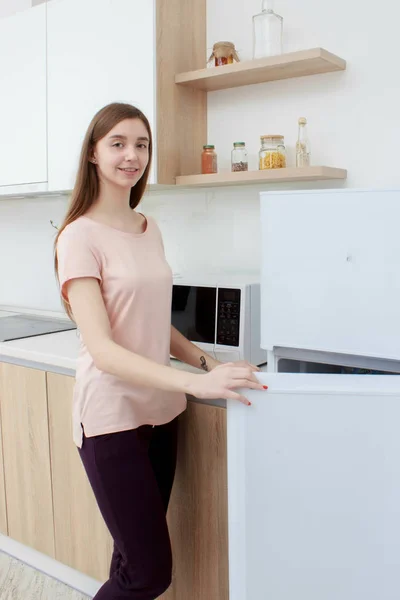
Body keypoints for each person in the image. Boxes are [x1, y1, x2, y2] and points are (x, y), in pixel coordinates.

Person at [54, 102, 267, 600]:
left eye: (142, 145)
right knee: (149, 574)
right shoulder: (78, 237)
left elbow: (157, 320)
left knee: (131, 562)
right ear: (92, 153)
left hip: (162, 413)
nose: (132, 156)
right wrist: (196, 383)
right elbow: (103, 349)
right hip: (111, 419)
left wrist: (209, 362)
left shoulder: (148, 227)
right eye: (118, 143)